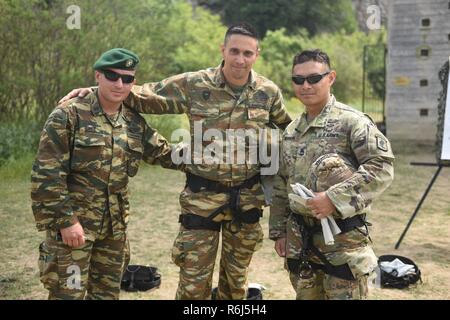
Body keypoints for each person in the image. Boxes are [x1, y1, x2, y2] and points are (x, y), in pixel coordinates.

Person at [61, 23, 292, 300]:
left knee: (236, 282)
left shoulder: (268, 92)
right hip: (201, 199)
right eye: (234, 51)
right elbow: (147, 96)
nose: (240, 59)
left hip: (247, 201)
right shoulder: (195, 84)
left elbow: (289, 130)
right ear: (223, 50)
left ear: (257, 54)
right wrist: (98, 89)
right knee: (194, 282)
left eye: (247, 53)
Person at [31, 48, 180, 299]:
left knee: (107, 295)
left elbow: (165, 153)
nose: (120, 84)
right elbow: (47, 174)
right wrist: (66, 221)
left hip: (113, 230)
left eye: (128, 78)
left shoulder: (132, 121)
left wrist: (215, 155)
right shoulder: (69, 115)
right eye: (112, 76)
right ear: (97, 76)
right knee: (68, 294)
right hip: (75, 229)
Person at [269, 49, 395, 300]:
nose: (305, 85)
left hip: (342, 242)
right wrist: (279, 231)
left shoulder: (352, 122)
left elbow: (381, 167)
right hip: (301, 242)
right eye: (298, 80)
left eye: (314, 78)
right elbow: (282, 183)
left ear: (331, 78)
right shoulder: (292, 130)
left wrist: (332, 198)